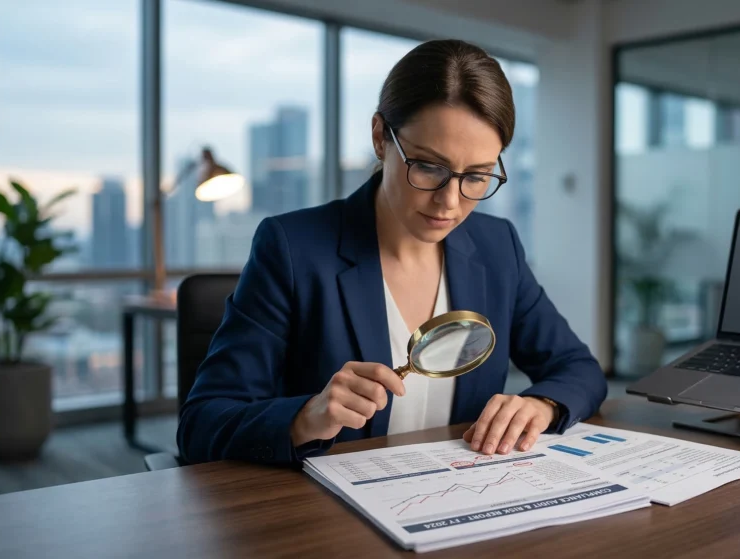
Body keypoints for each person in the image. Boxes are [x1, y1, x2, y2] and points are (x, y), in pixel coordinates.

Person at [177, 40, 607, 466]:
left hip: (464, 502)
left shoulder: (497, 247)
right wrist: (305, 417)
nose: (450, 203)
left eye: (476, 176)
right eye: (429, 167)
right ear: (381, 137)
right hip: (327, 517)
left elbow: (578, 368)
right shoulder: (293, 248)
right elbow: (202, 423)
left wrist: (542, 404)